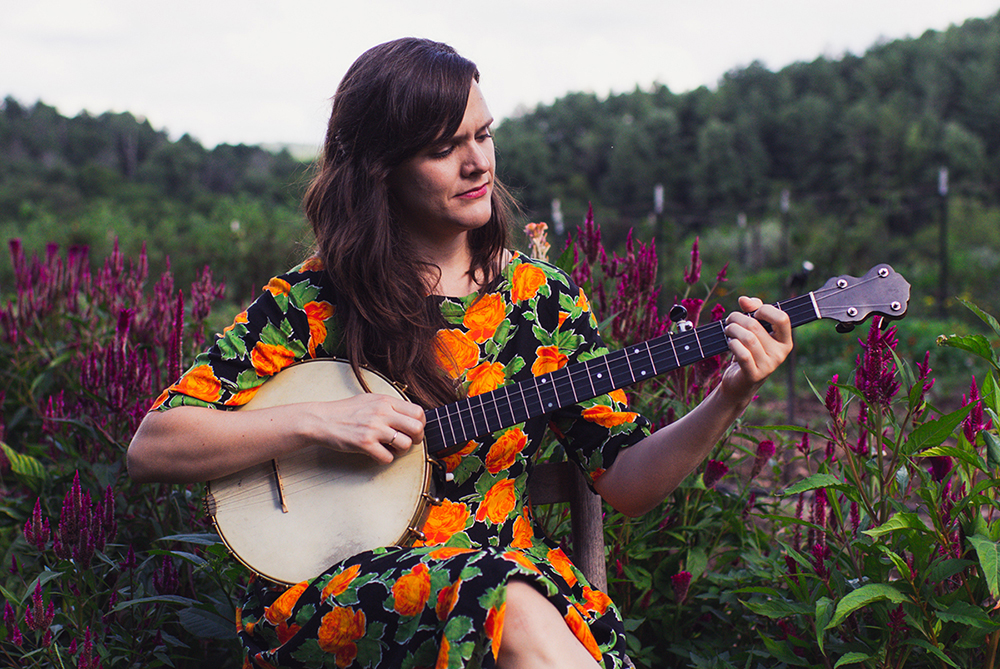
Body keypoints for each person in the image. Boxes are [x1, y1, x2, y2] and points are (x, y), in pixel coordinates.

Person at [127, 37, 792, 669]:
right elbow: (153, 446)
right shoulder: (315, 298)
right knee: (508, 605)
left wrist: (727, 397)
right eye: (446, 148)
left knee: (510, 601)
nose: (478, 163)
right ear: (381, 168)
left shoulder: (541, 302)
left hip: (513, 579)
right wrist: (322, 422)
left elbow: (627, 483)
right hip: (346, 598)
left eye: (484, 134)